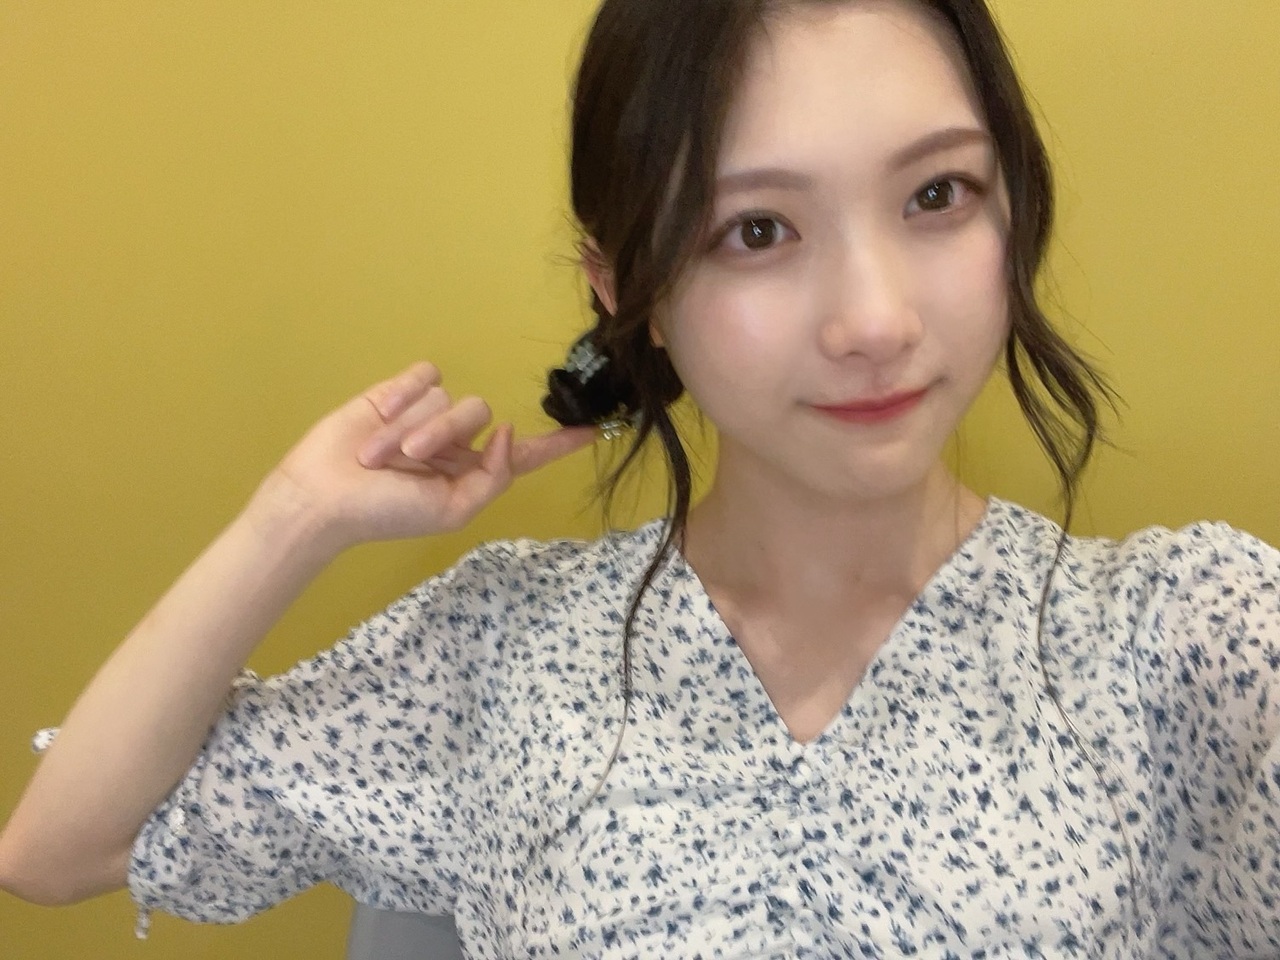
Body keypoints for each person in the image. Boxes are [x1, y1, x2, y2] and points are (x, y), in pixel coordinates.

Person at [2, 0, 1278, 956]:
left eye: (936, 193)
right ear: (630, 294)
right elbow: (58, 849)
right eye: (757, 230)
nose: (874, 320)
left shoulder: (1184, 639)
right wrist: (293, 521)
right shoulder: (504, 651)